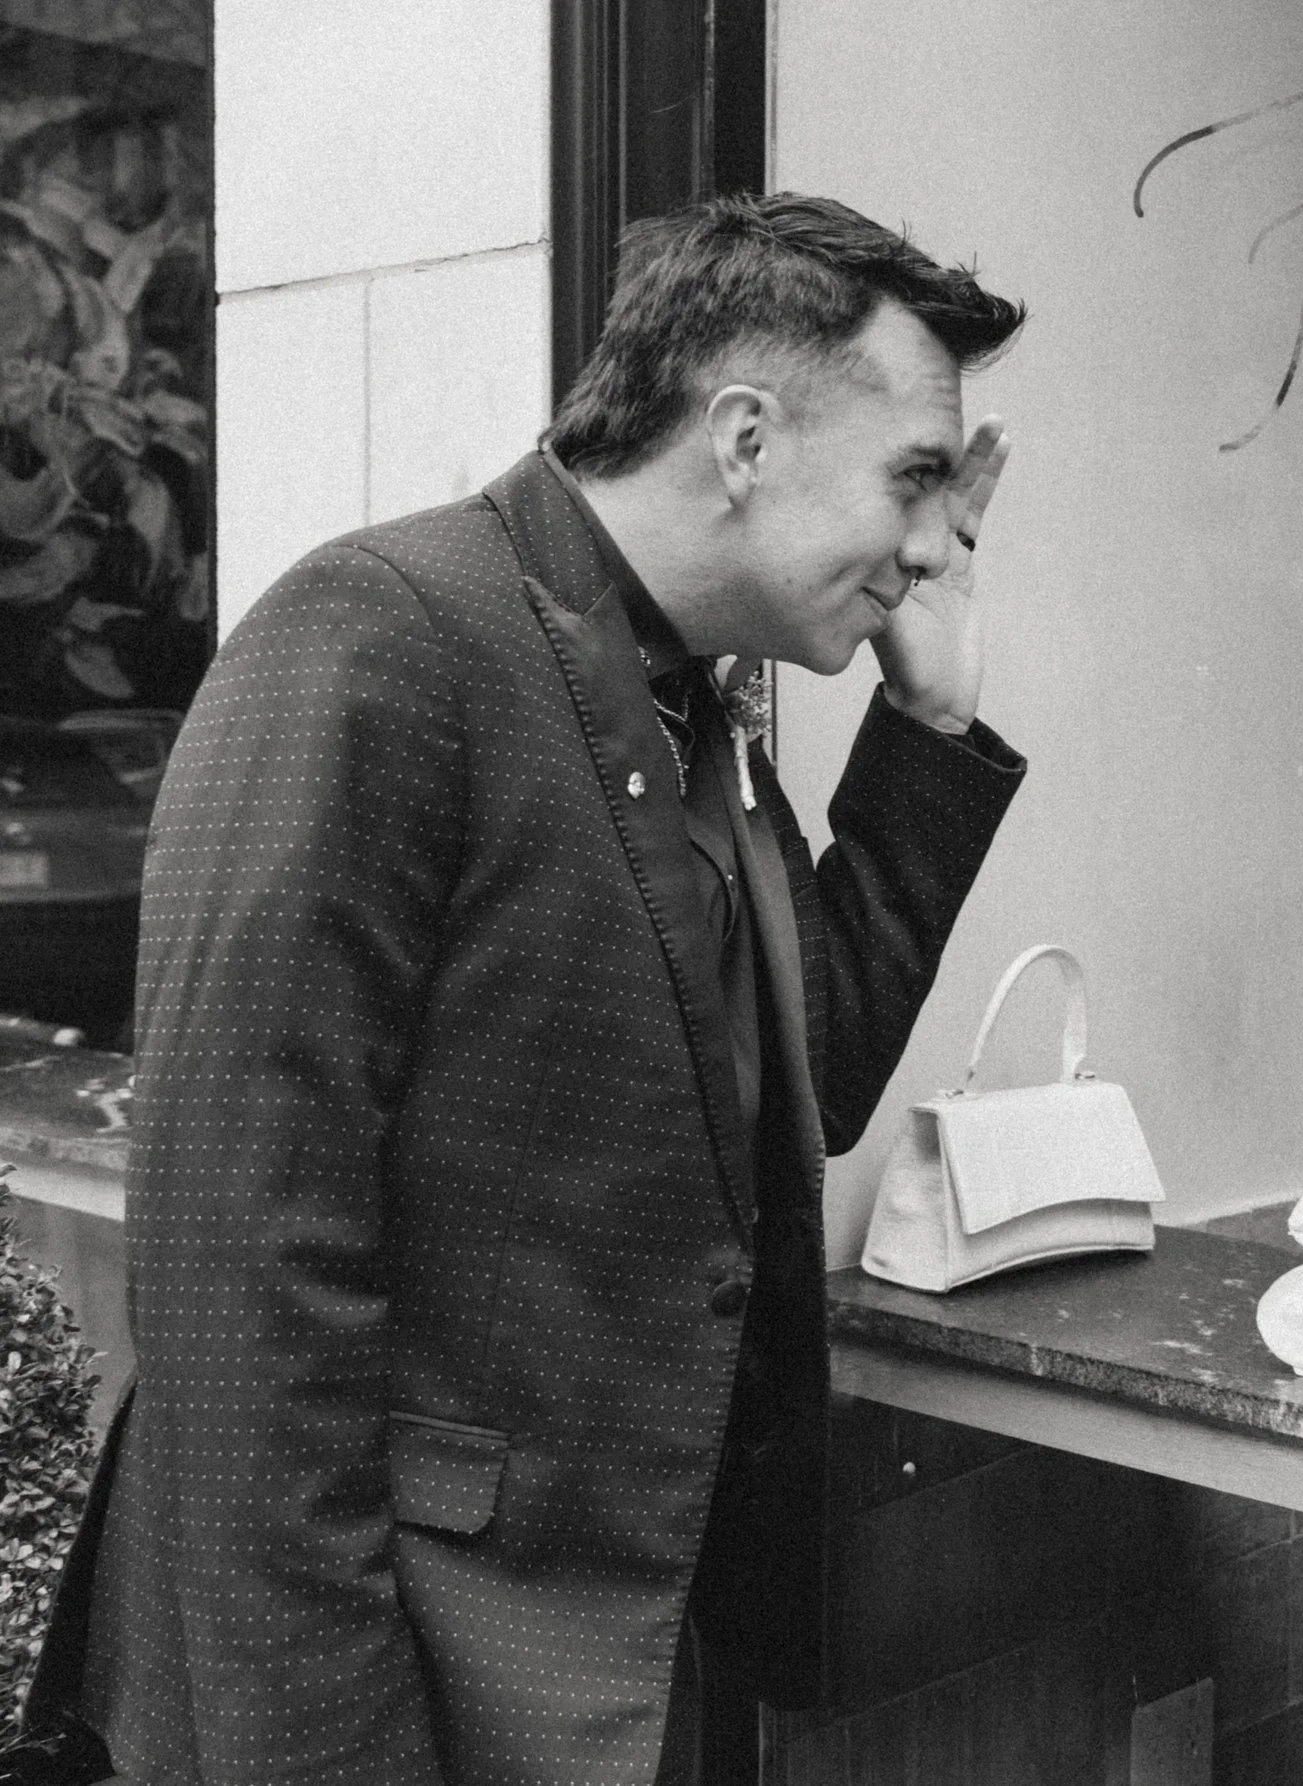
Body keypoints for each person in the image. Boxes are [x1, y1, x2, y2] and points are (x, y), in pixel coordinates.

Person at [22, 193, 1029, 1786]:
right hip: (386, 1698)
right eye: (914, 477)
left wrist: (934, 724)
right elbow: (241, 1302)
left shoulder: (697, 700)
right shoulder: (379, 635)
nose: (932, 544)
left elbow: (794, 1082)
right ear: (746, 436)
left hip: (602, 1681)